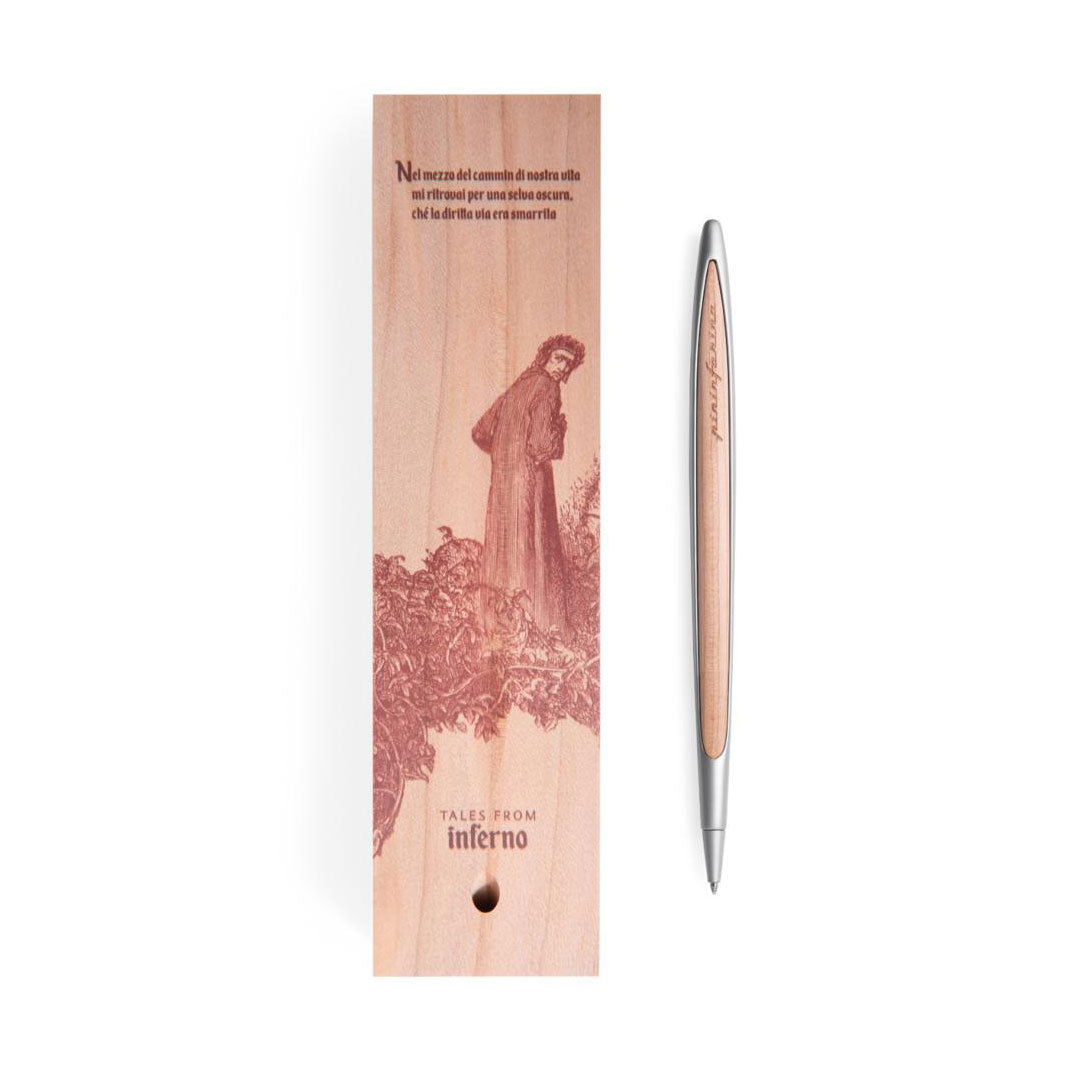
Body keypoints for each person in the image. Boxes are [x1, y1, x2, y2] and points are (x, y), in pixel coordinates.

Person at [471, 334, 586, 636]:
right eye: (559, 359)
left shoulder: (517, 388)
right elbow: (541, 445)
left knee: (504, 549)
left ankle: (499, 627)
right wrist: (559, 431)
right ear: (545, 357)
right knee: (534, 548)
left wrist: (506, 453)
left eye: (568, 364)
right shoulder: (547, 387)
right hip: (531, 484)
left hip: (503, 485)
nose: (562, 367)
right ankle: (541, 629)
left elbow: (481, 432)